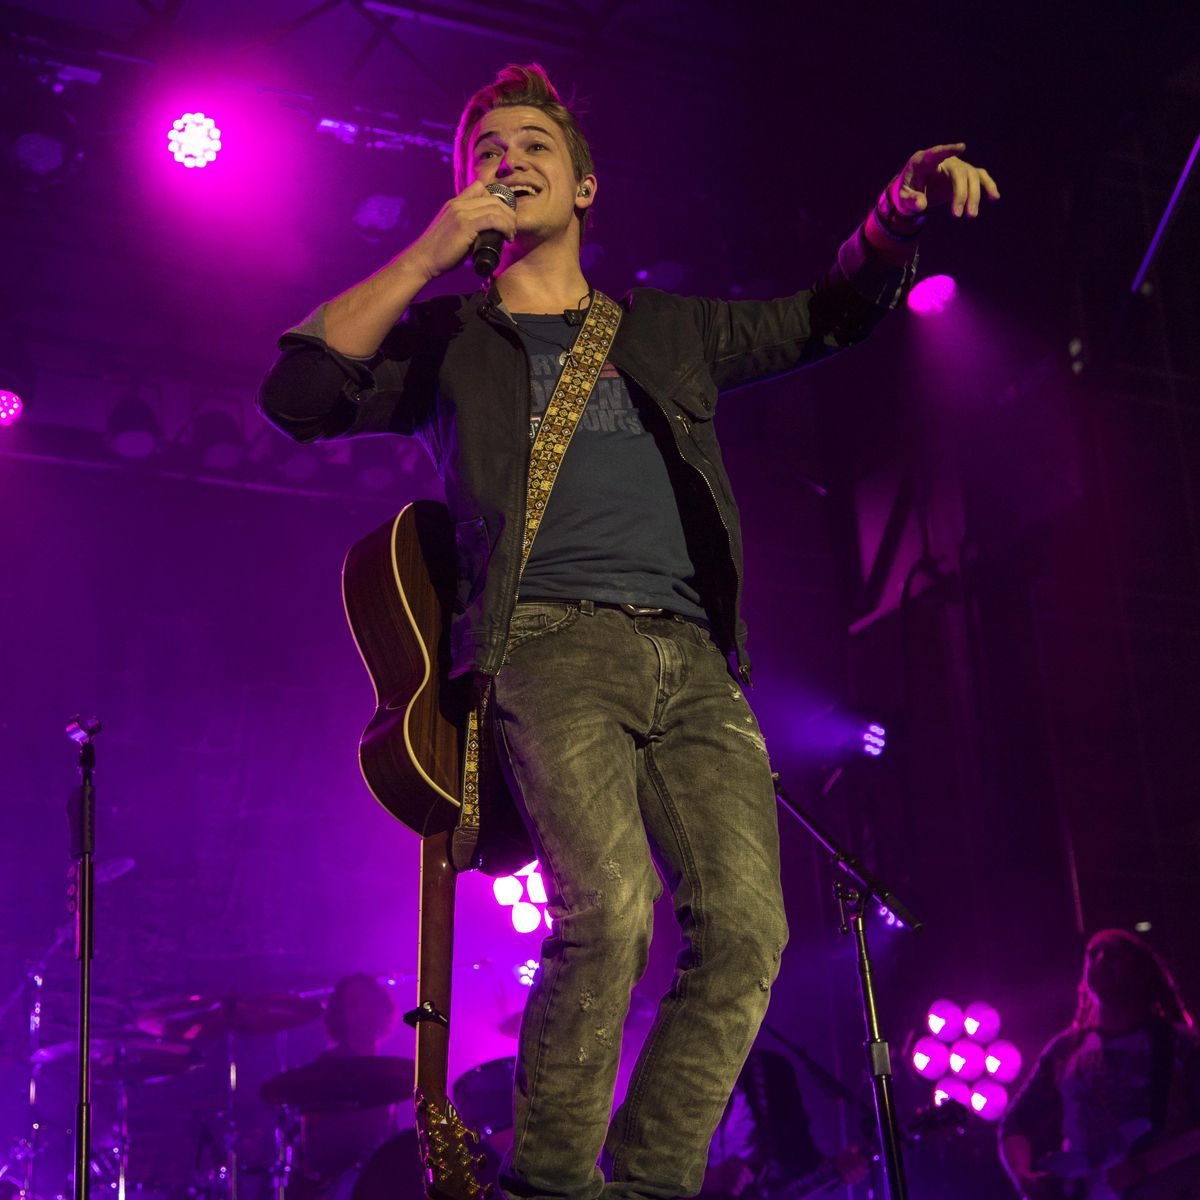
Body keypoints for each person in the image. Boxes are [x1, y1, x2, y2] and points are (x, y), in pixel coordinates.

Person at [256, 62, 998, 1200]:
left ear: (585, 186)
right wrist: (427, 252)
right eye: (486, 152)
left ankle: (651, 1185)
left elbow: (826, 315)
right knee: (609, 914)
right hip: (549, 648)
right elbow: (299, 398)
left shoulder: (665, 329)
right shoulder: (449, 340)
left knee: (747, 936)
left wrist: (894, 216)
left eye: (533, 146)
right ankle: (551, 1185)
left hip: (696, 659)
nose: (510, 161)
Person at [999, 928, 1200, 1200]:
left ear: (1141, 971)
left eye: (1113, 954)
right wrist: (1023, 1176)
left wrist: (1146, 1165)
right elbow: (1016, 1123)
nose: (1101, 960)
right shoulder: (1066, 1049)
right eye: (1093, 955)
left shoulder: (1178, 1043)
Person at [702, 1048, 869, 1200]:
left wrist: (836, 1170)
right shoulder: (688, 1074)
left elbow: (799, 1155)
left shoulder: (772, 1069)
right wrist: (708, 1180)